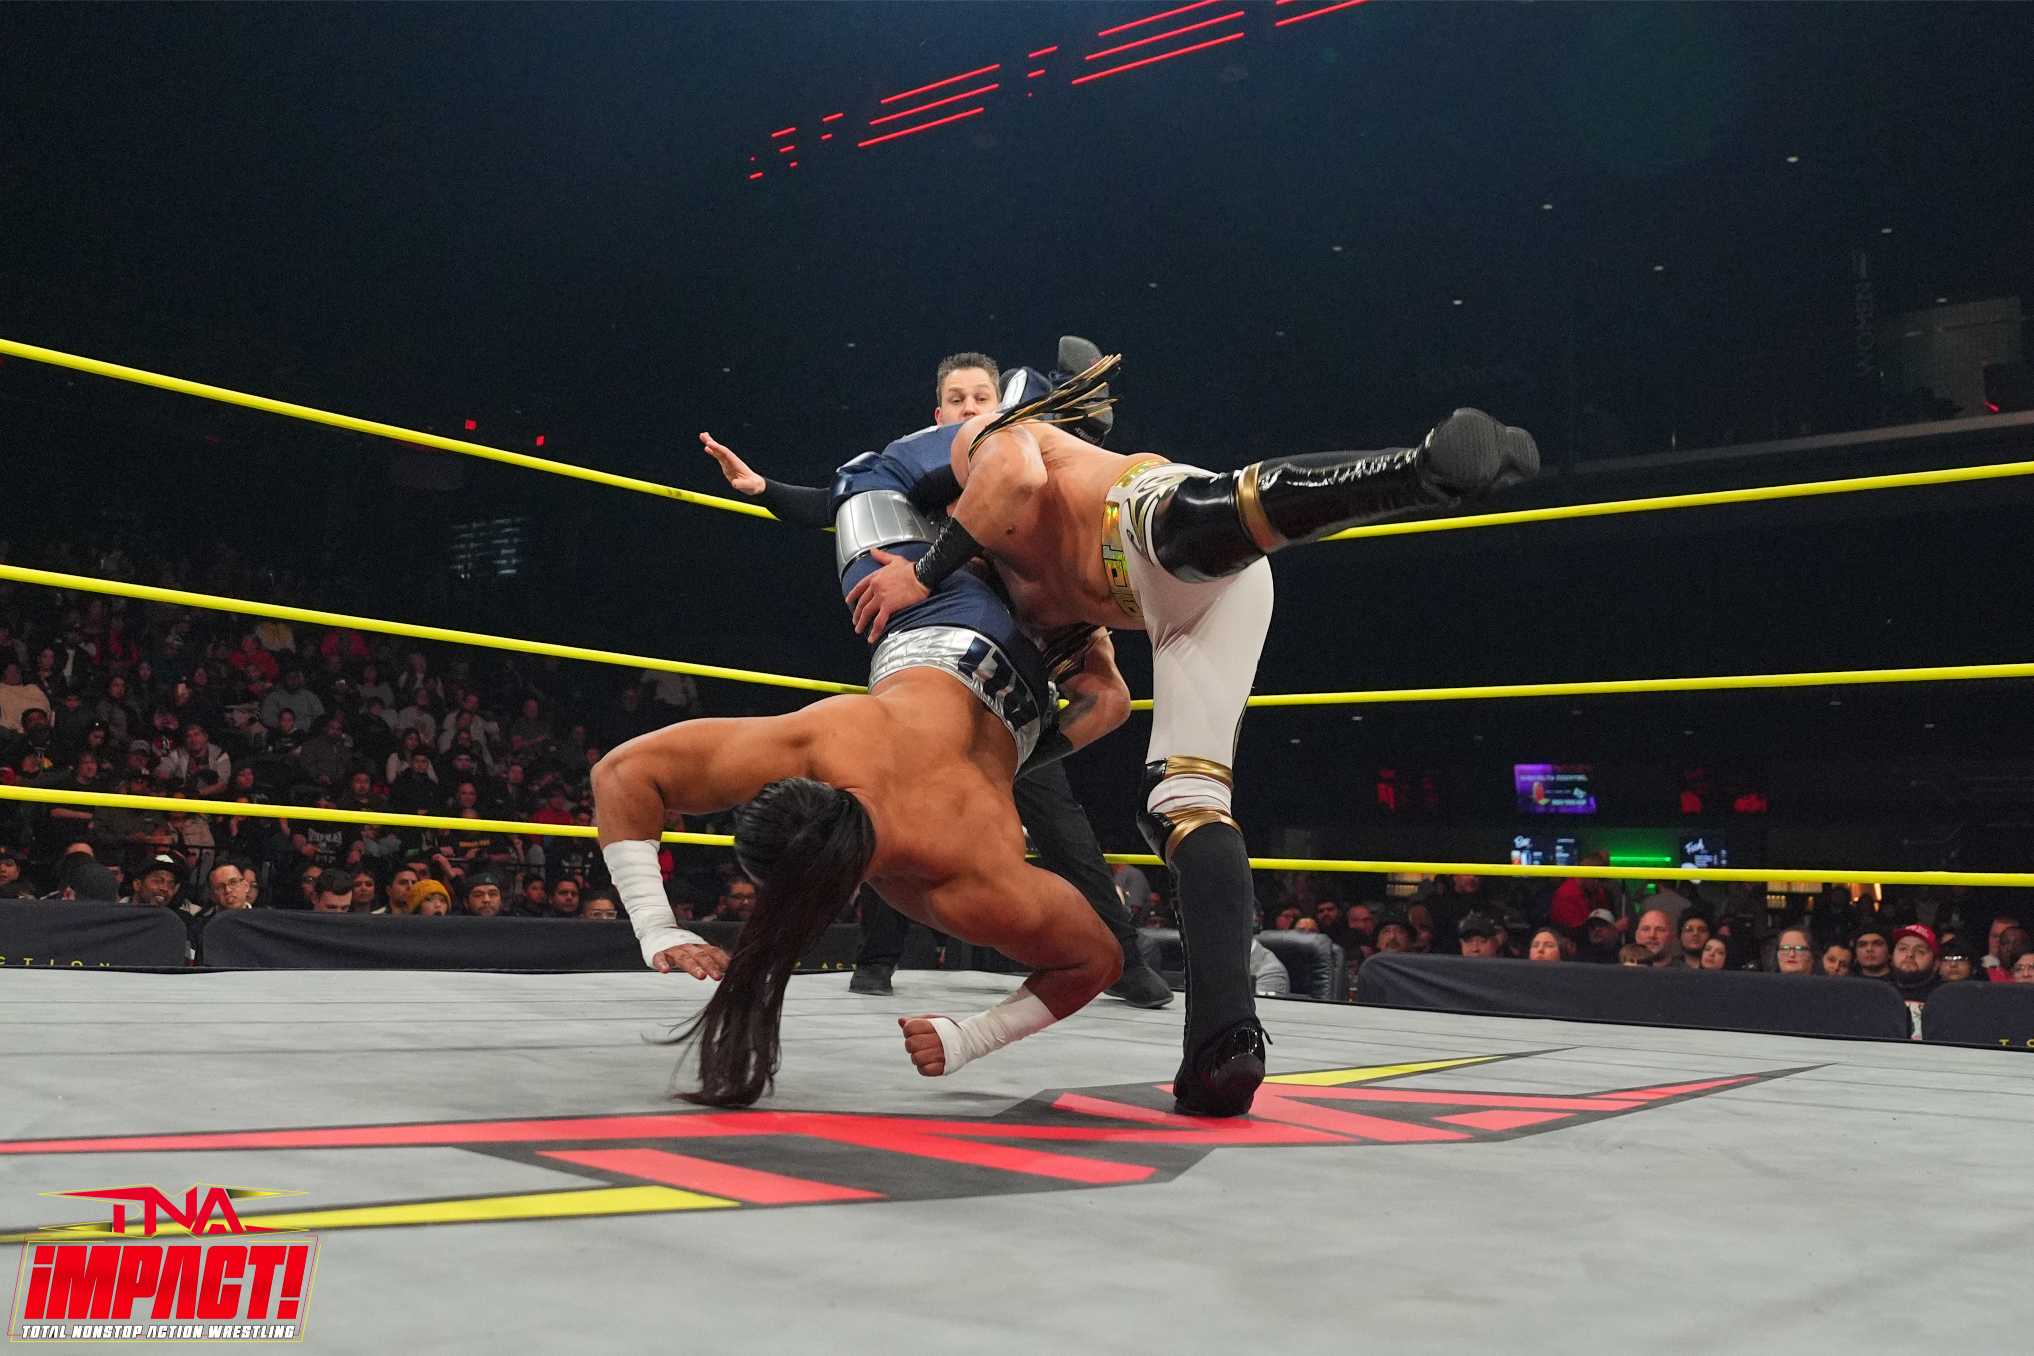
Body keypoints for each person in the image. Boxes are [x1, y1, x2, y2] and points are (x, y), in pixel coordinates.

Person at [843, 360, 1538, 1114]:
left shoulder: (992, 443)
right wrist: (1013, 762)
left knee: (1186, 528)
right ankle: (1222, 1042)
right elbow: (1105, 702)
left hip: (1149, 515)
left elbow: (1011, 474)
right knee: (1182, 804)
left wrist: (921, 575)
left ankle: (1416, 472)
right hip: (1199, 604)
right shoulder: (1011, 593)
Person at [696, 343, 1169, 1011]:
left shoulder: (1010, 454)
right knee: (899, 804)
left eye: (982, 397)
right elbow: (839, 503)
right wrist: (764, 489)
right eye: (957, 399)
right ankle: (877, 961)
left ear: (1000, 404)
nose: (971, 408)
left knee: (1060, 819)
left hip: (1022, 663)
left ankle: (1125, 962)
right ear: (938, 412)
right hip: (942, 654)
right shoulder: (923, 473)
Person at [592, 654, 1128, 1110]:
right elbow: (622, 772)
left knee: (1107, 700)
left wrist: (975, 1037)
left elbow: (1098, 960)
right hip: (944, 620)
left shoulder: (963, 883)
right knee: (1107, 699)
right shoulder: (825, 737)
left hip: (1011, 667)